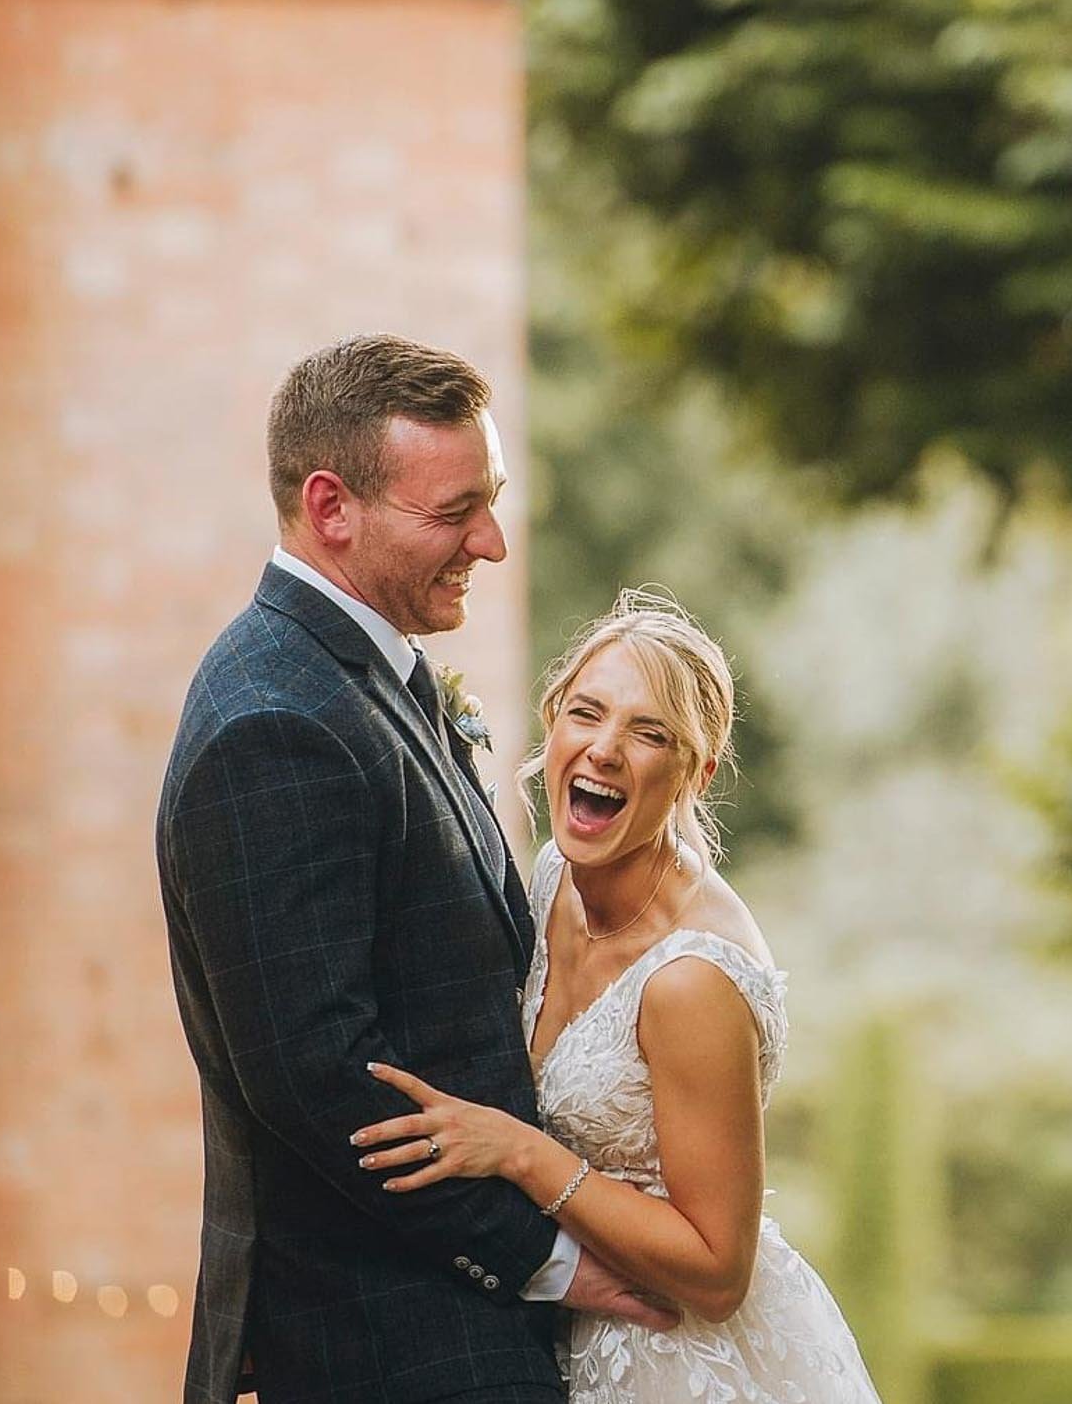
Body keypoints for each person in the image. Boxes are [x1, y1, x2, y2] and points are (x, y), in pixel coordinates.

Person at [157, 336, 670, 1404]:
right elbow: (324, 1080)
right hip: (389, 1343)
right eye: (452, 513)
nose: (488, 542)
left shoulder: (368, 672)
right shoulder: (275, 721)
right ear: (331, 506)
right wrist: (558, 1258)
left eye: (493, 501)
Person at [348, 590, 884, 1404]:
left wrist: (525, 1154)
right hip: (559, 1331)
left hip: (678, 1357)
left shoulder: (690, 978)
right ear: (553, 721)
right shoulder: (553, 877)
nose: (604, 749)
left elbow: (717, 1272)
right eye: (587, 713)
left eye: (648, 733)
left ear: (695, 773)